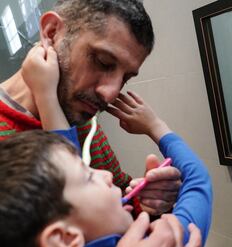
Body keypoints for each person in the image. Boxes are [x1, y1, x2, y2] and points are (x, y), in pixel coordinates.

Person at [0, 0, 180, 216]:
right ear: (51, 32)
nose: (111, 93)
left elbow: (116, 198)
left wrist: (145, 205)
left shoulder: (83, 122)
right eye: (103, 62)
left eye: (126, 78)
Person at [0, 94, 212, 247]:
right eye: (89, 177)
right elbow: (197, 180)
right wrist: (157, 127)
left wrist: (46, 95)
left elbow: (63, 174)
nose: (106, 175)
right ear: (63, 238)